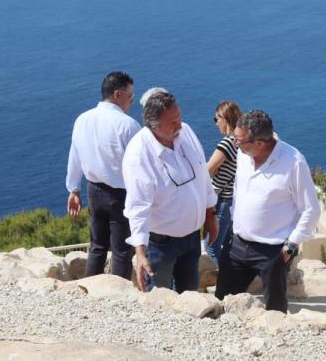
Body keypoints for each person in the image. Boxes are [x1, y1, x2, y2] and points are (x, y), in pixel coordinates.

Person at [214, 110, 320, 312]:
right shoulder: (243, 154)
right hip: (237, 243)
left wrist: (289, 249)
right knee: (221, 303)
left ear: (260, 143)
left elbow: (311, 209)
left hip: (273, 251)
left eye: (239, 140)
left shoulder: (293, 162)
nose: (235, 143)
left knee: (275, 310)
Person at [123, 90, 218, 292]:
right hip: (160, 244)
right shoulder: (138, 154)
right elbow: (138, 206)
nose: (180, 126)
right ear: (154, 126)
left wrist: (211, 214)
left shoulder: (186, 133)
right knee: (159, 298)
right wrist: (140, 253)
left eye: (180, 118)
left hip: (192, 238)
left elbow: (202, 174)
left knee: (190, 292)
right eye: (173, 122)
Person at [65, 71, 140, 279]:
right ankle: (118, 298)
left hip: (93, 191)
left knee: (97, 246)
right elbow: (140, 166)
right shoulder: (128, 125)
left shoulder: (83, 119)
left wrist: (73, 189)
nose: (132, 101)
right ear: (118, 94)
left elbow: (75, 155)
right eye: (130, 96)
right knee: (122, 250)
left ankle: (90, 288)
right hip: (121, 195)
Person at [205, 100, 242, 260]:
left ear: (225, 119)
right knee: (226, 245)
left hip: (221, 201)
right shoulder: (240, 142)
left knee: (212, 246)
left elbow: (206, 171)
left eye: (216, 119)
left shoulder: (226, 144)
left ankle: (222, 283)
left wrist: (213, 170)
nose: (215, 124)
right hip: (232, 200)